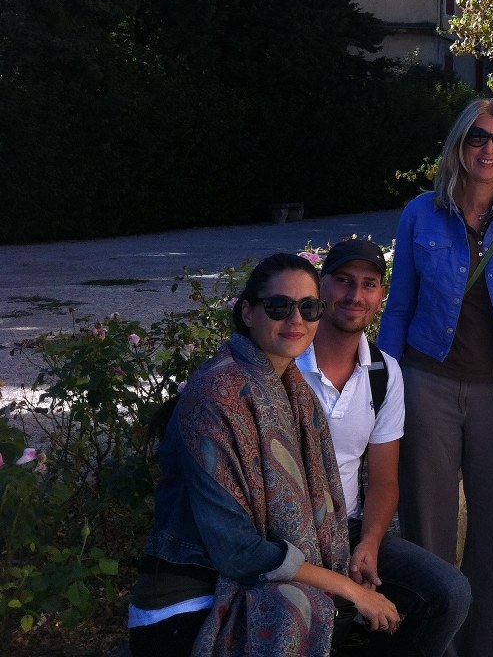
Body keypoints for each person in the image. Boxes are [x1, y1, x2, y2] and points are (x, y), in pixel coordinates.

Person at [128, 253, 401, 656]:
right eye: (278, 306)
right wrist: (348, 588)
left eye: (308, 307)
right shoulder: (218, 396)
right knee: (301, 609)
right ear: (248, 312)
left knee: (433, 596)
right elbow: (236, 550)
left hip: (252, 576)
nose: (296, 320)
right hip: (187, 597)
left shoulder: (294, 393)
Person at [377, 98, 493, 657]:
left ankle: (487, 647)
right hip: (427, 383)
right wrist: (383, 387)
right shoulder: (421, 214)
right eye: (478, 136)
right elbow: (399, 306)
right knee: (428, 529)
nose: (489, 148)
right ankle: (436, 647)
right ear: (459, 143)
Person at [297, 238, 472, 656]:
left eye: (368, 284)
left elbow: (384, 481)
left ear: (381, 296)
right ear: (321, 286)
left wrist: (370, 544)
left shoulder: (383, 372)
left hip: (347, 528)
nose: (355, 295)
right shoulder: (290, 358)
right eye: (343, 281)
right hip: (287, 533)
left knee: (449, 594)